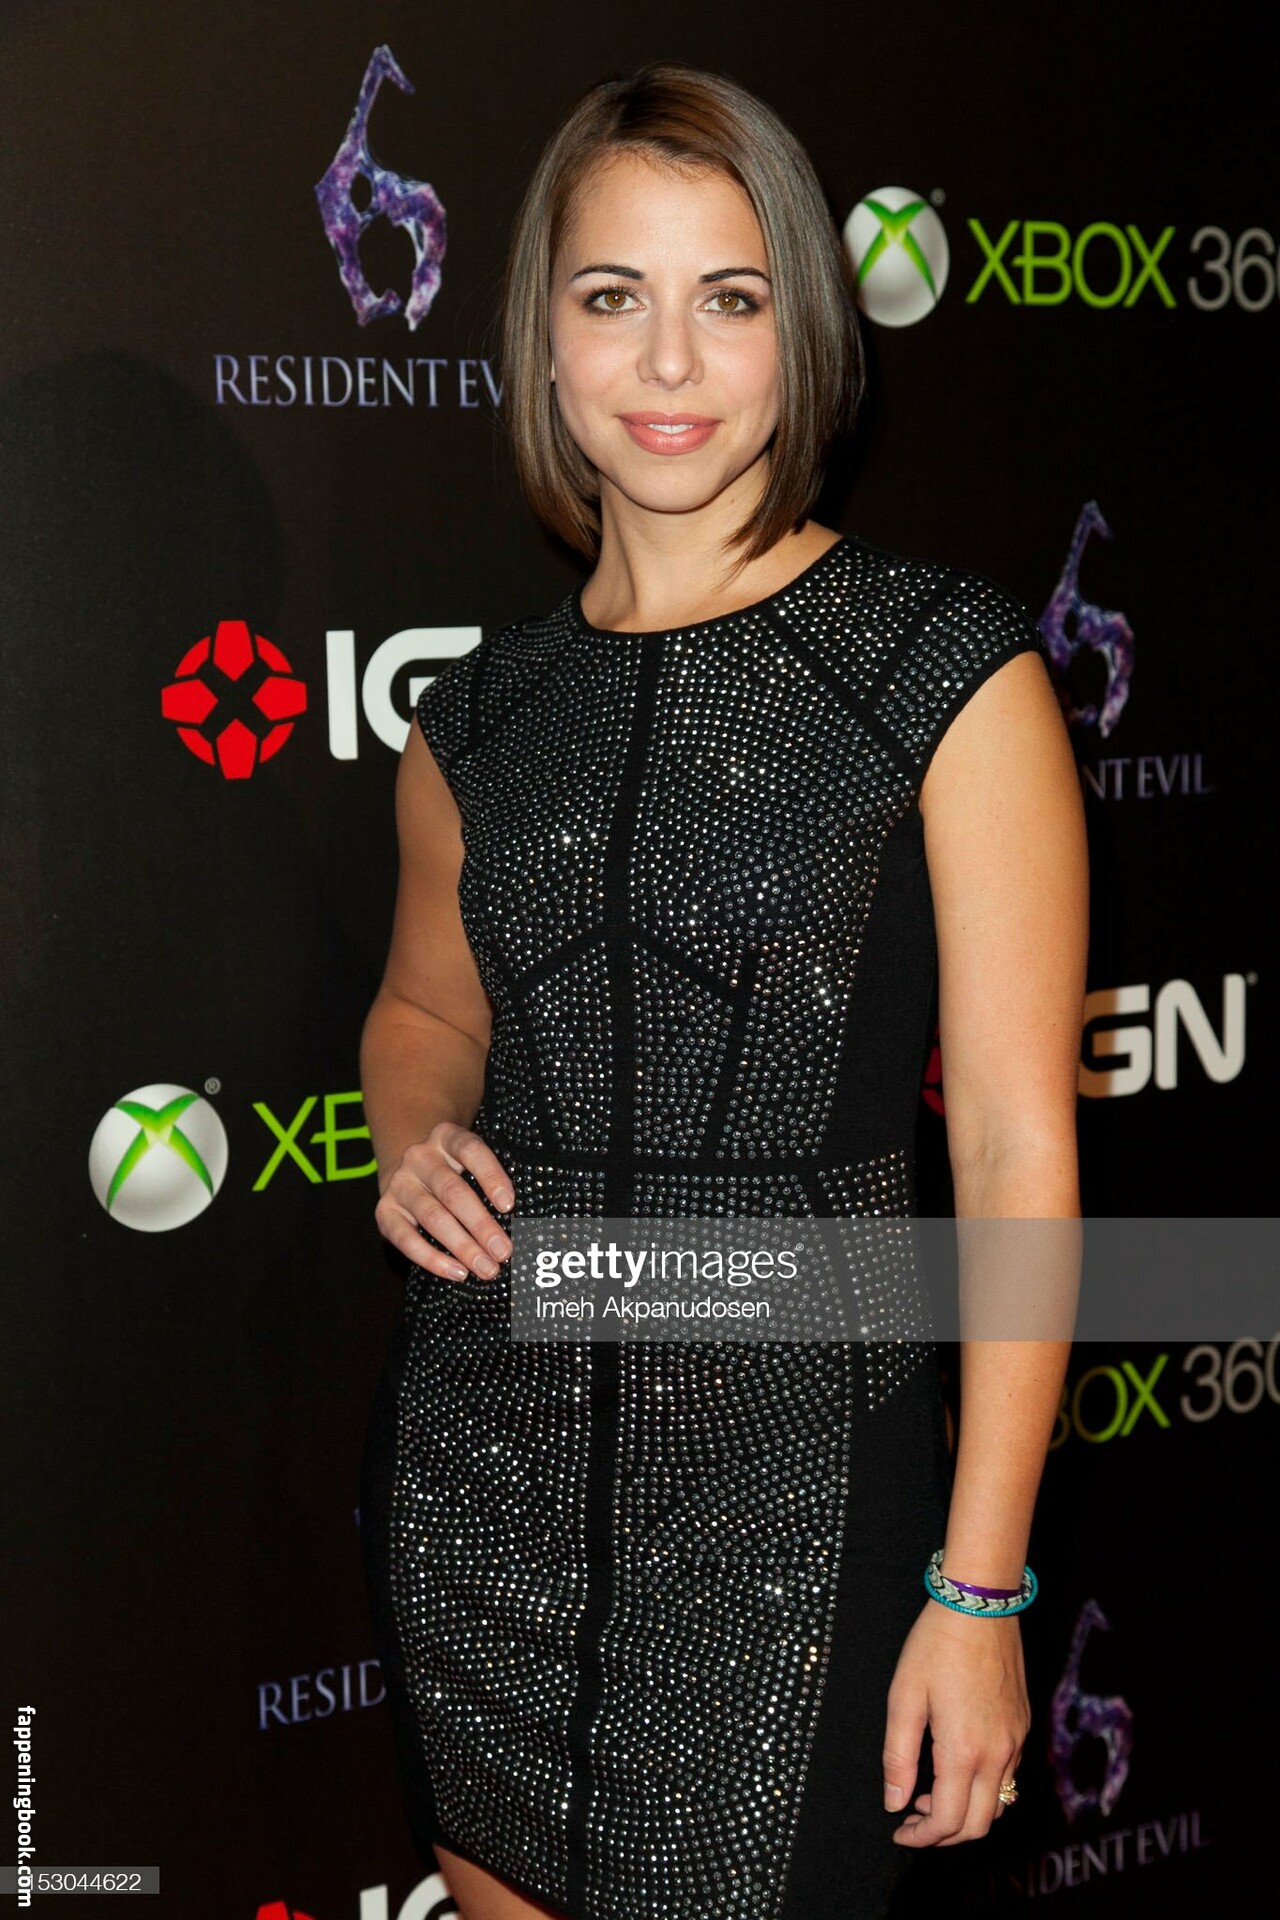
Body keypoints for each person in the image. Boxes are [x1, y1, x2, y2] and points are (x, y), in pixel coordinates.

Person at [357, 59, 1087, 1920]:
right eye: (615, 297)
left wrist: (980, 1587)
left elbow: (1014, 1150)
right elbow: (425, 1014)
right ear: (545, 338)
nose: (669, 362)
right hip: (482, 1476)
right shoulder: (472, 721)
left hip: (798, 1496)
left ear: (804, 332)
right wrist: (413, 1132)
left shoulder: (942, 668)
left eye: (730, 298)